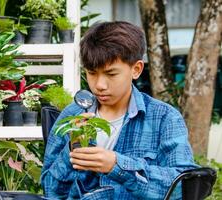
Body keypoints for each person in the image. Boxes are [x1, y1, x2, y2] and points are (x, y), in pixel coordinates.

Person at [41, 21, 197, 199]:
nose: (99, 85)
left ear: (136, 69)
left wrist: (117, 166)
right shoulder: (72, 115)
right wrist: (71, 151)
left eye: (111, 74)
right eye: (92, 73)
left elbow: (185, 187)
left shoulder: (164, 118)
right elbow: (50, 190)